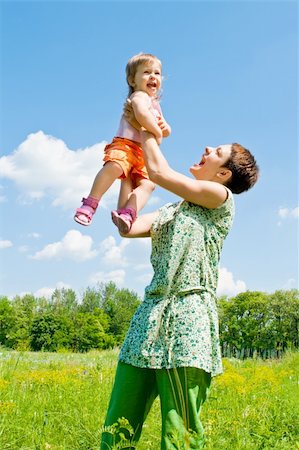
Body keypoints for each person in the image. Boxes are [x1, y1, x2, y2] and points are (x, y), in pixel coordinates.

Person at [100, 120, 259, 449]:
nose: (206, 150)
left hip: (189, 321)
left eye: (216, 152)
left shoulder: (220, 198)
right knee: (118, 425)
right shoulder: (172, 211)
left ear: (224, 174)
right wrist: (129, 170)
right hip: (150, 316)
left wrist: (143, 124)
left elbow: (159, 172)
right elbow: (127, 227)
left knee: (179, 433)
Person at [74, 53, 171, 232]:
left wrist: (165, 128)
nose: (153, 77)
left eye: (157, 73)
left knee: (148, 185)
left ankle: (129, 212)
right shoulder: (139, 96)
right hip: (126, 145)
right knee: (115, 166)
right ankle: (90, 203)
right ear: (132, 81)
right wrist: (157, 132)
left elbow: (166, 129)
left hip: (143, 154)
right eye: (146, 72)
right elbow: (141, 115)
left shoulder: (155, 104)